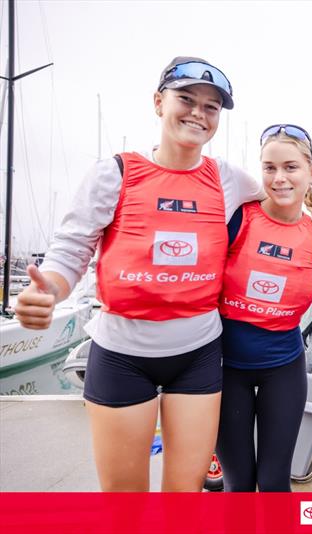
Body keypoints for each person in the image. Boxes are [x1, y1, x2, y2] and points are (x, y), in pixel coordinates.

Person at [14, 57, 264, 491]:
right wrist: (50, 291)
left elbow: (280, 199)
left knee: (183, 500)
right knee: (125, 503)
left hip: (198, 351)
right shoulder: (115, 173)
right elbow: (71, 248)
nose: (198, 114)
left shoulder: (227, 178)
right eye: (186, 99)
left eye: (211, 107)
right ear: (157, 102)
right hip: (122, 352)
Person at [215, 124, 312, 491]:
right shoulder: (241, 217)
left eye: (290, 167)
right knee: (239, 483)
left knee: (274, 483)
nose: (279, 178)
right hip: (227, 369)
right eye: (269, 168)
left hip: (283, 370)